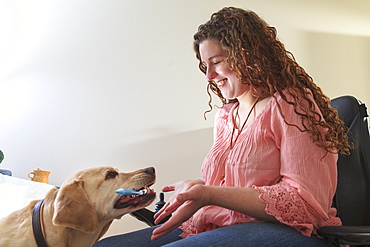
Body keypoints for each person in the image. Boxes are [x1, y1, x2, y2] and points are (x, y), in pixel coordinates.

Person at [94, 7, 351, 247]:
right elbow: (235, 186)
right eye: (205, 66)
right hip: (218, 223)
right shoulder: (226, 116)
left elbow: (305, 204)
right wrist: (198, 190)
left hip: (292, 231)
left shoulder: (291, 104)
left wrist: (209, 194)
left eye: (216, 62)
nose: (209, 77)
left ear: (248, 55)